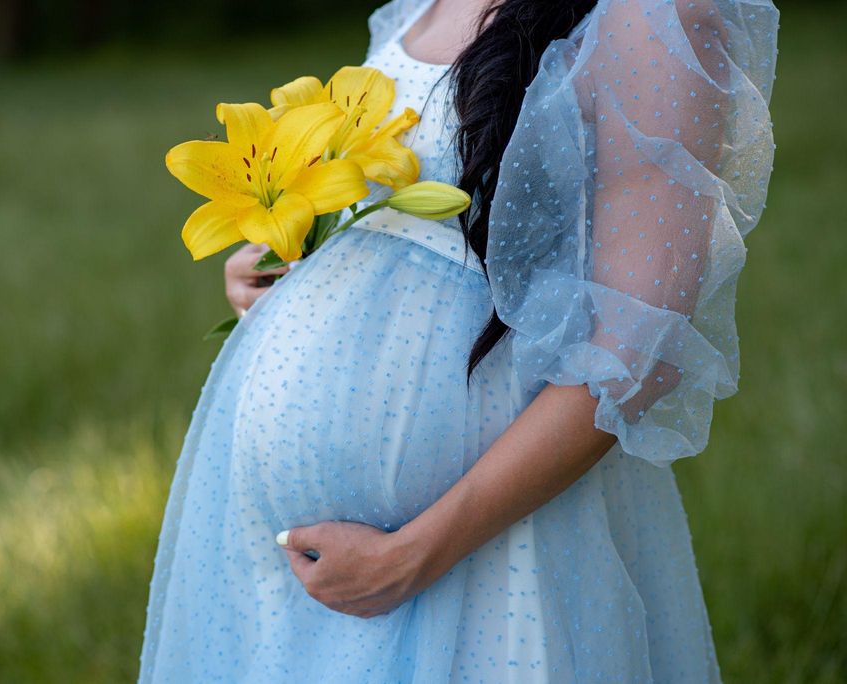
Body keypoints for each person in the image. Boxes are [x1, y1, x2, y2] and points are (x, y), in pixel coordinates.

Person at [138, 0, 780, 681]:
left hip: (491, 553)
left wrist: (418, 552)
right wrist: (289, 269)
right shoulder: (421, 7)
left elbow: (636, 355)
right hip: (286, 578)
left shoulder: (649, 19)